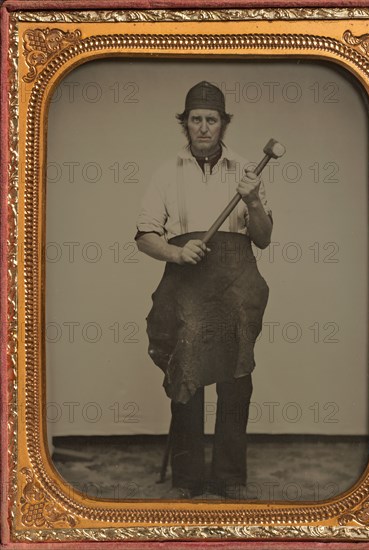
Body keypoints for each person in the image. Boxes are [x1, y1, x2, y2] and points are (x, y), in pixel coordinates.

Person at [135, 81, 272, 499]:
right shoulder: (164, 173)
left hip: (236, 288)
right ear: (186, 123)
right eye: (196, 119)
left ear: (223, 123)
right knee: (185, 375)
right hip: (185, 287)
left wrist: (252, 203)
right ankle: (189, 478)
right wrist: (176, 254)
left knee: (236, 378)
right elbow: (144, 235)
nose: (204, 127)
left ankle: (230, 476)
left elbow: (263, 238)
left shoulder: (249, 172)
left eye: (211, 119)